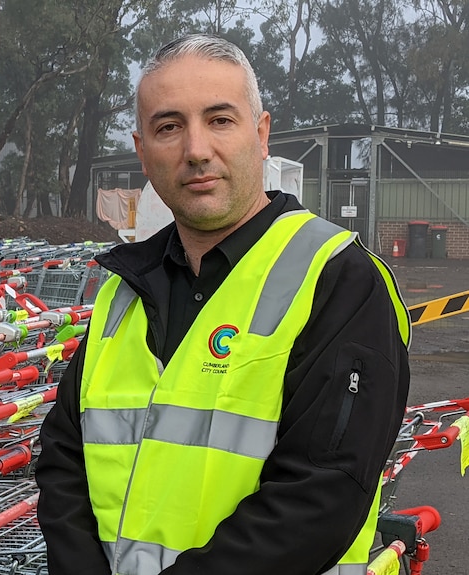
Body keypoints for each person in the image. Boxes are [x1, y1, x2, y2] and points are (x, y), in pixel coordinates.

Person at [35, 34, 410, 575]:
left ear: (261, 134)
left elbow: (319, 499)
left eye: (220, 120)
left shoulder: (340, 281)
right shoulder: (124, 289)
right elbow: (64, 457)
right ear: (143, 153)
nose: (196, 150)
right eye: (169, 127)